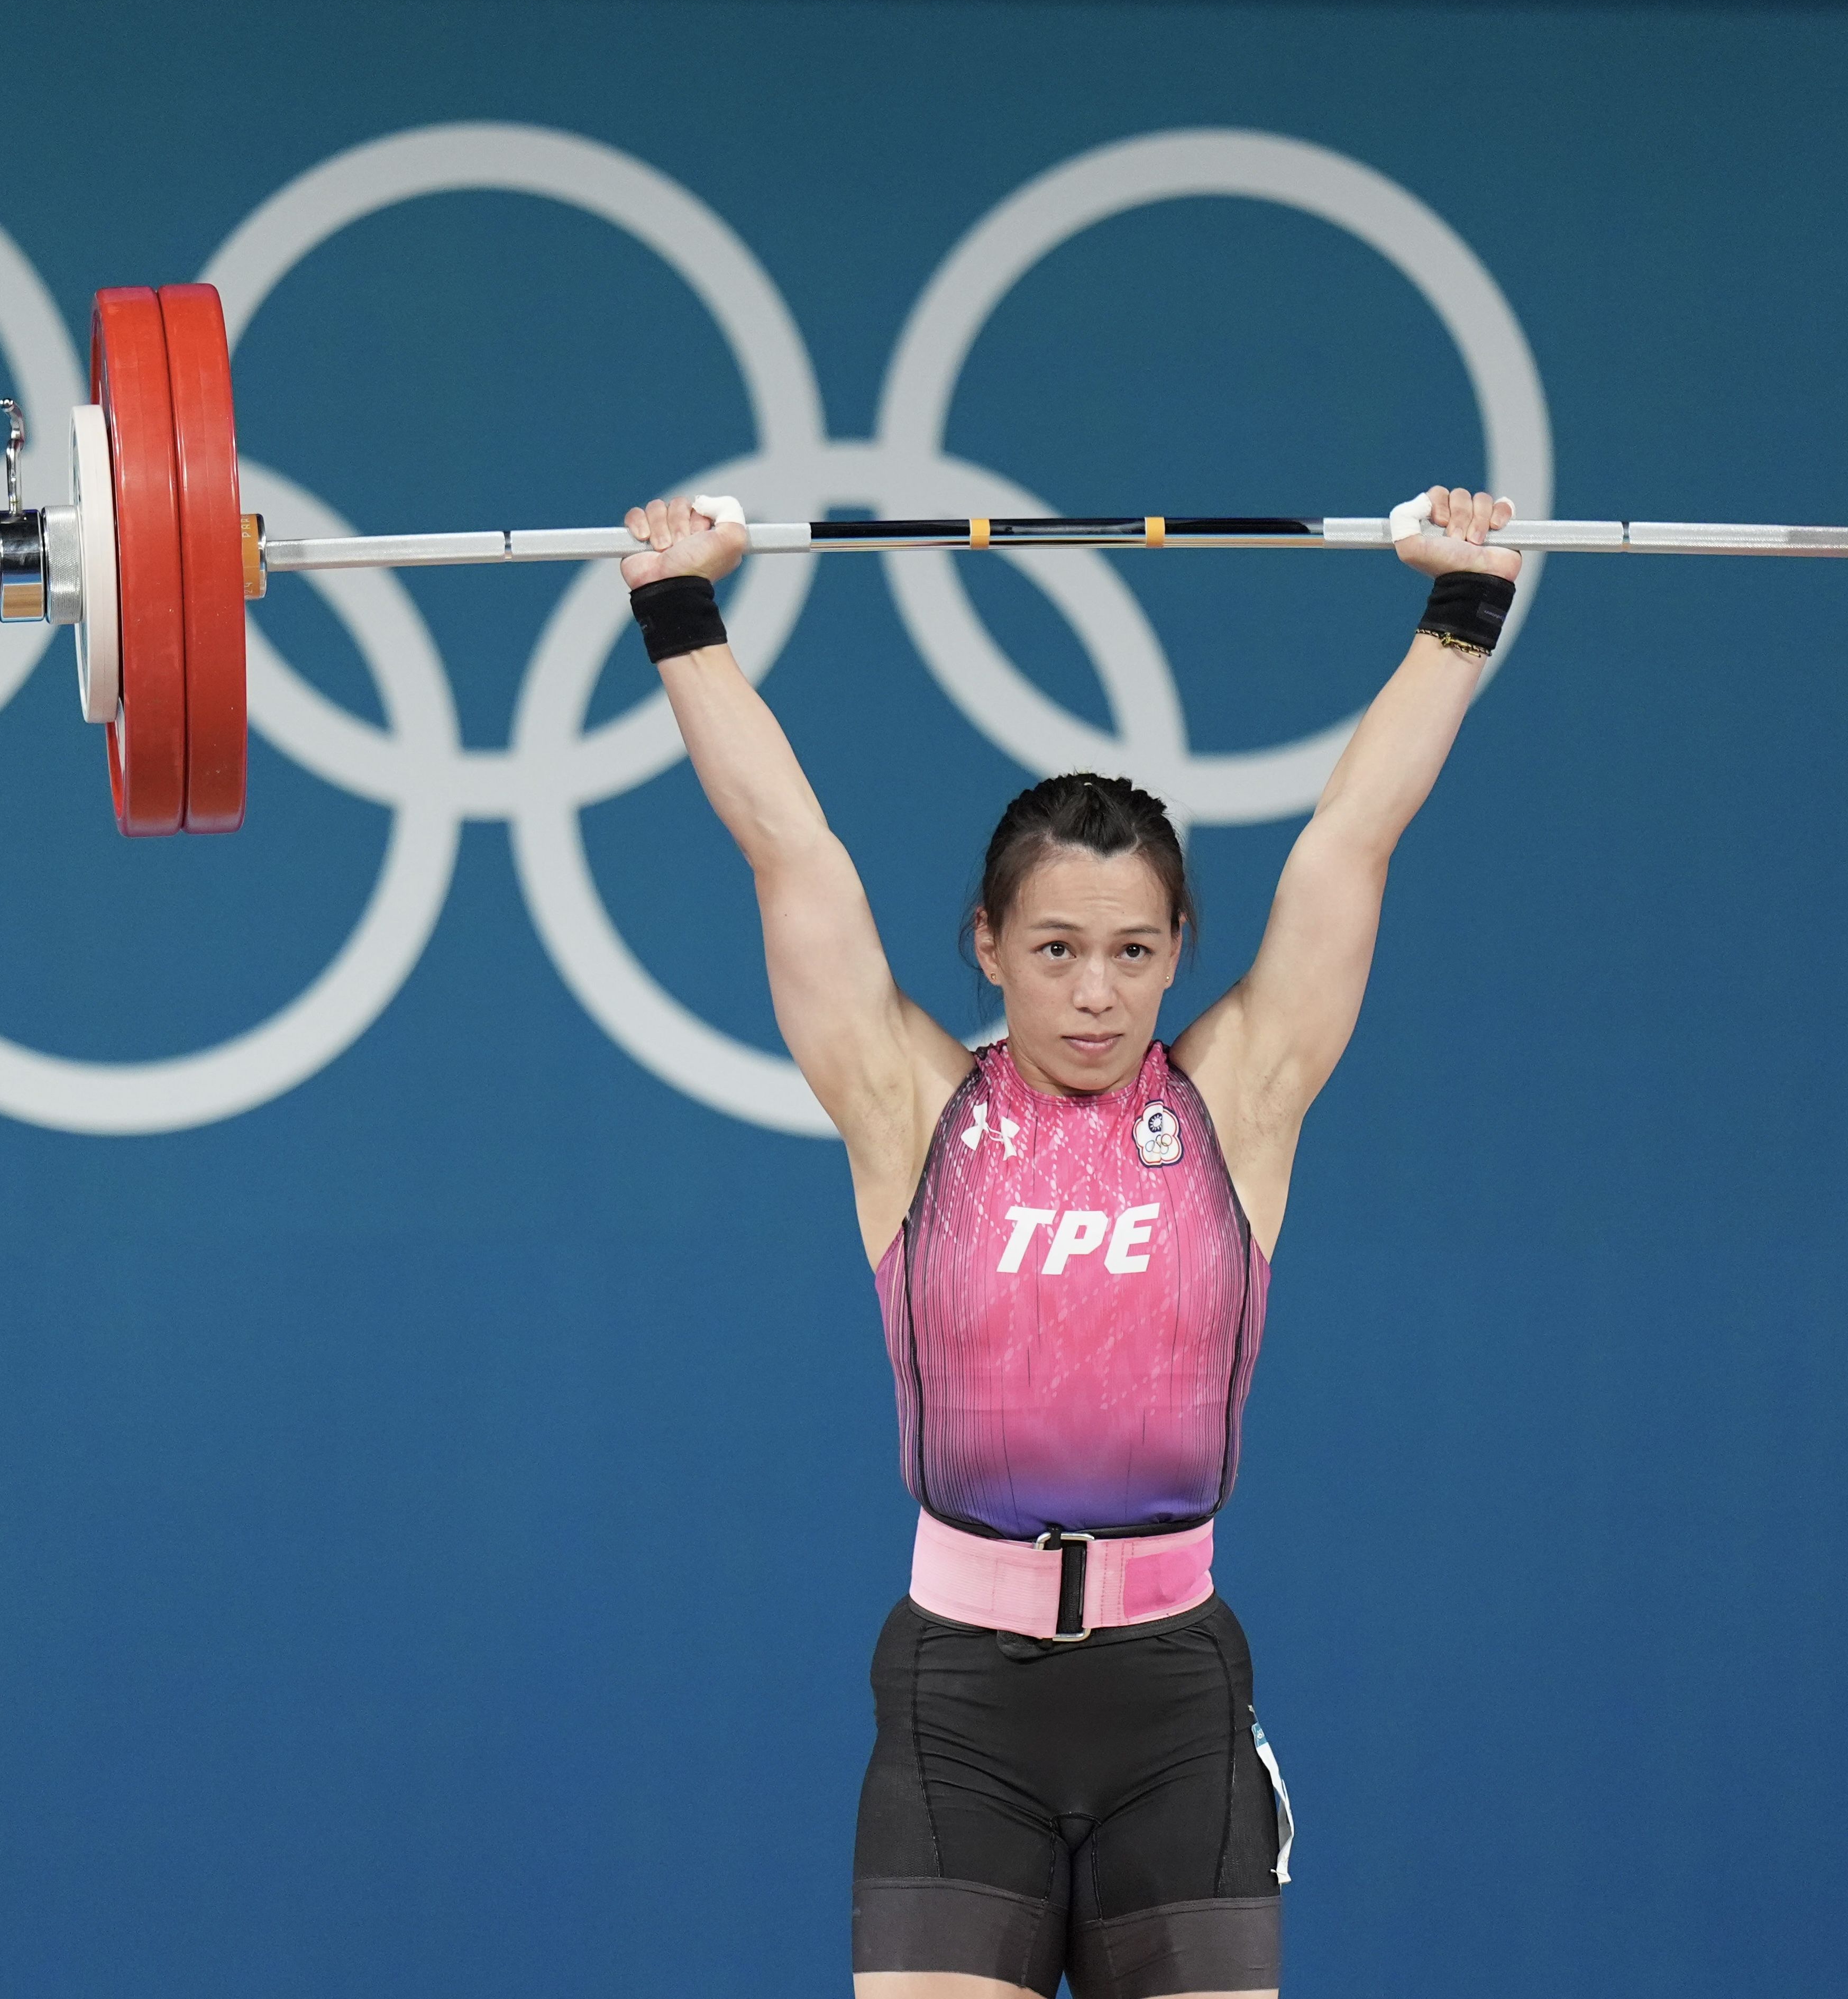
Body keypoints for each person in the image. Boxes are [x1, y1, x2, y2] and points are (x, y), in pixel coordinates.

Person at [618, 485, 1521, 1999]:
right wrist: (678, 611)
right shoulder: (912, 1108)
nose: (1095, 993)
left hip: (1174, 1699)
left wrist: (1461, 607)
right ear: (986, 944)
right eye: (1054, 949)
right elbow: (790, 851)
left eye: (1131, 951)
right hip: (958, 1704)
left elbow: (1352, 840)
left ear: (1176, 950)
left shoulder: (1239, 1099)